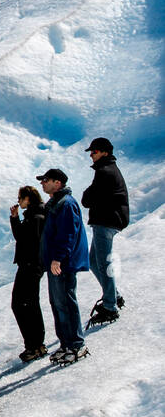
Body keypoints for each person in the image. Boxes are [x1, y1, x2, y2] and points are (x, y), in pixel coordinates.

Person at [39, 168, 91, 364]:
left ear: (57, 183)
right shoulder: (55, 203)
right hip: (56, 263)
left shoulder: (66, 204)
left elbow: (68, 233)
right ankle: (66, 344)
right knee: (58, 303)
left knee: (67, 302)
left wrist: (58, 258)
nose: (42, 183)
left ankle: (77, 344)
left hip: (63, 264)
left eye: (46, 180)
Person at [80, 137, 129, 325]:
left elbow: (88, 199)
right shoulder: (108, 170)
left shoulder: (105, 171)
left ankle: (110, 306)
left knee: (102, 263)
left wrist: (88, 194)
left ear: (105, 153)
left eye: (94, 152)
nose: (91, 155)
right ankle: (114, 296)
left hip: (106, 221)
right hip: (108, 221)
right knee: (93, 261)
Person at [9, 185, 48, 361]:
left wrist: (16, 220)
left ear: (28, 198)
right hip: (32, 265)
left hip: (30, 265)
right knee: (29, 303)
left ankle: (34, 344)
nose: (18, 201)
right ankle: (36, 344)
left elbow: (25, 239)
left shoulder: (36, 217)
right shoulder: (35, 215)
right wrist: (15, 218)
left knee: (21, 304)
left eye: (20, 198)